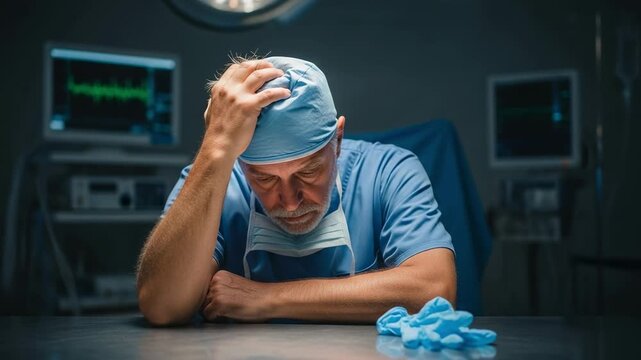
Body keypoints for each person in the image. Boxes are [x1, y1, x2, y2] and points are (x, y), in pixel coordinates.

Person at [136, 56, 456, 326]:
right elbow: (161, 305)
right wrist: (215, 148)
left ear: (338, 140)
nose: (289, 202)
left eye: (309, 172)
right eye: (265, 180)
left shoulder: (389, 171)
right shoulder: (214, 178)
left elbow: (435, 288)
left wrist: (265, 299)